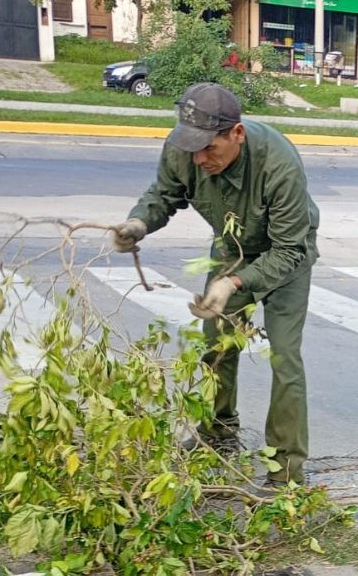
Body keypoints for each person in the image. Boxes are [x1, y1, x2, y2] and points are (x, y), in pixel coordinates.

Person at [112, 82, 319, 485]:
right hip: (232, 248)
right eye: (193, 148)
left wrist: (234, 283)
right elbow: (164, 194)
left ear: (236, 134)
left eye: (211, 148)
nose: (200, 158)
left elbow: (289, 249)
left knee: (285, 357)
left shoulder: (279, 164)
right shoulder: (185, 148)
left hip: (287, 255)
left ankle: (287, 469)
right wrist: (138, 223)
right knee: (216, 344)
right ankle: (218, 430)